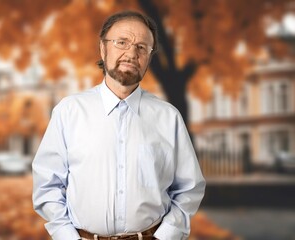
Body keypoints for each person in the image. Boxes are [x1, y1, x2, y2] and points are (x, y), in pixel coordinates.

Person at [32, 10, 206, 240]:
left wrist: (165, 236)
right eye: (121, 42)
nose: (132, 53)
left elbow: (189, 188)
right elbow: (47, 185)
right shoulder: (69, 112)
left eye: (142, 47)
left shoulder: (168, 117)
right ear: (103, 49)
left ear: (149, 58)